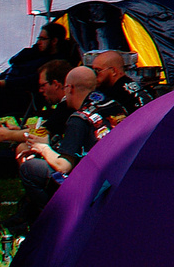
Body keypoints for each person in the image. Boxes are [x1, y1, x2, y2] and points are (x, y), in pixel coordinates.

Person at [14, 67, 122, 230]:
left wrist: (42, 148)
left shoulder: (78, 119)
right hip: (119, 173)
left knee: (30, 168)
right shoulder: (111, 104)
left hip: (92, 186)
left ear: (70, 88)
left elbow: (64, 165)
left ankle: (54, 221)